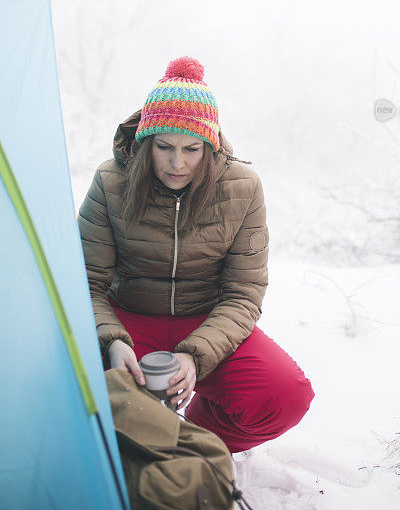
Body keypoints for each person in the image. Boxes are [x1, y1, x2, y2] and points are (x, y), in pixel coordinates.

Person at [78, 55, 314, 453]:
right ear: (145, 143)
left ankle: (192, 443)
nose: (177, 162)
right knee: (66, 384)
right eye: (164, 147)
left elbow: (243, 293)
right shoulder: (110, 181)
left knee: (285, 396)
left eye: (192, 149)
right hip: (128, 320)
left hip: (205, 322)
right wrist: (112, 342)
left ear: (210, 144)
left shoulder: (243, 187)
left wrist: (194, 356)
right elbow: (86, 281)